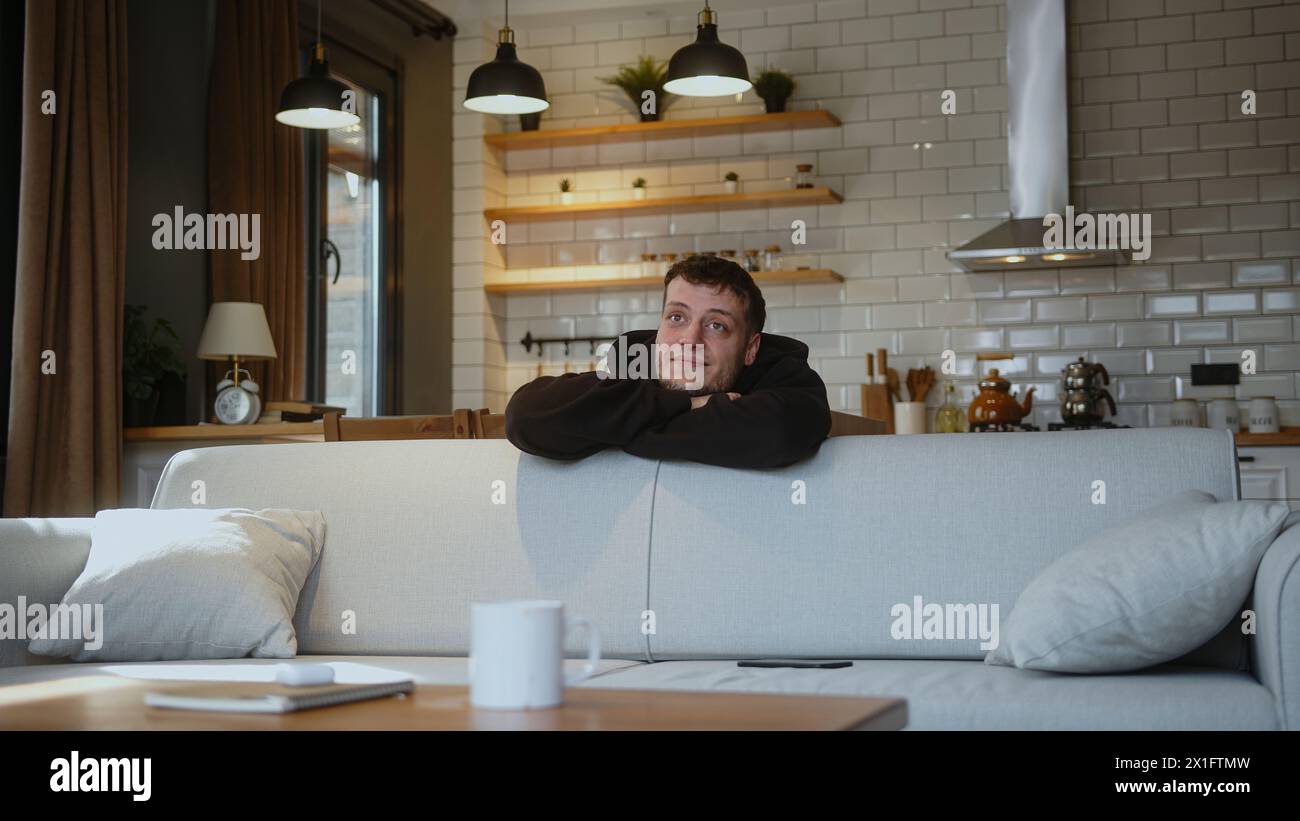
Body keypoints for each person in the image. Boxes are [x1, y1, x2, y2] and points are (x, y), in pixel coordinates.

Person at [505, 255, 831, 469]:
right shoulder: (637, 359)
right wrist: (687, 405)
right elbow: (527, 416)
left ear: (750, 348)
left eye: (716, 324)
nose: (690, 339)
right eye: (677, 317)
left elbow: (780, 434)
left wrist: (620, 426)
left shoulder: (782, 374)